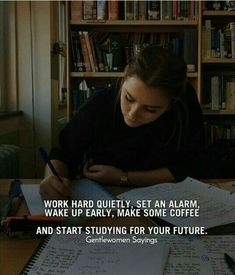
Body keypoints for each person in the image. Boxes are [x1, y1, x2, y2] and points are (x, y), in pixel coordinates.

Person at [40, 46, 205, 200]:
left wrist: (123, 177)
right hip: (102, 199)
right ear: (124, 77)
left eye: (150, 109)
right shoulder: (102, 102)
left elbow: (190, 166)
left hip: (166, 200)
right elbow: (64, 151)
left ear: (170, 105)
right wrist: (51, 179)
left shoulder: (183, 106)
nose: (132, 114)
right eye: (128, 98)